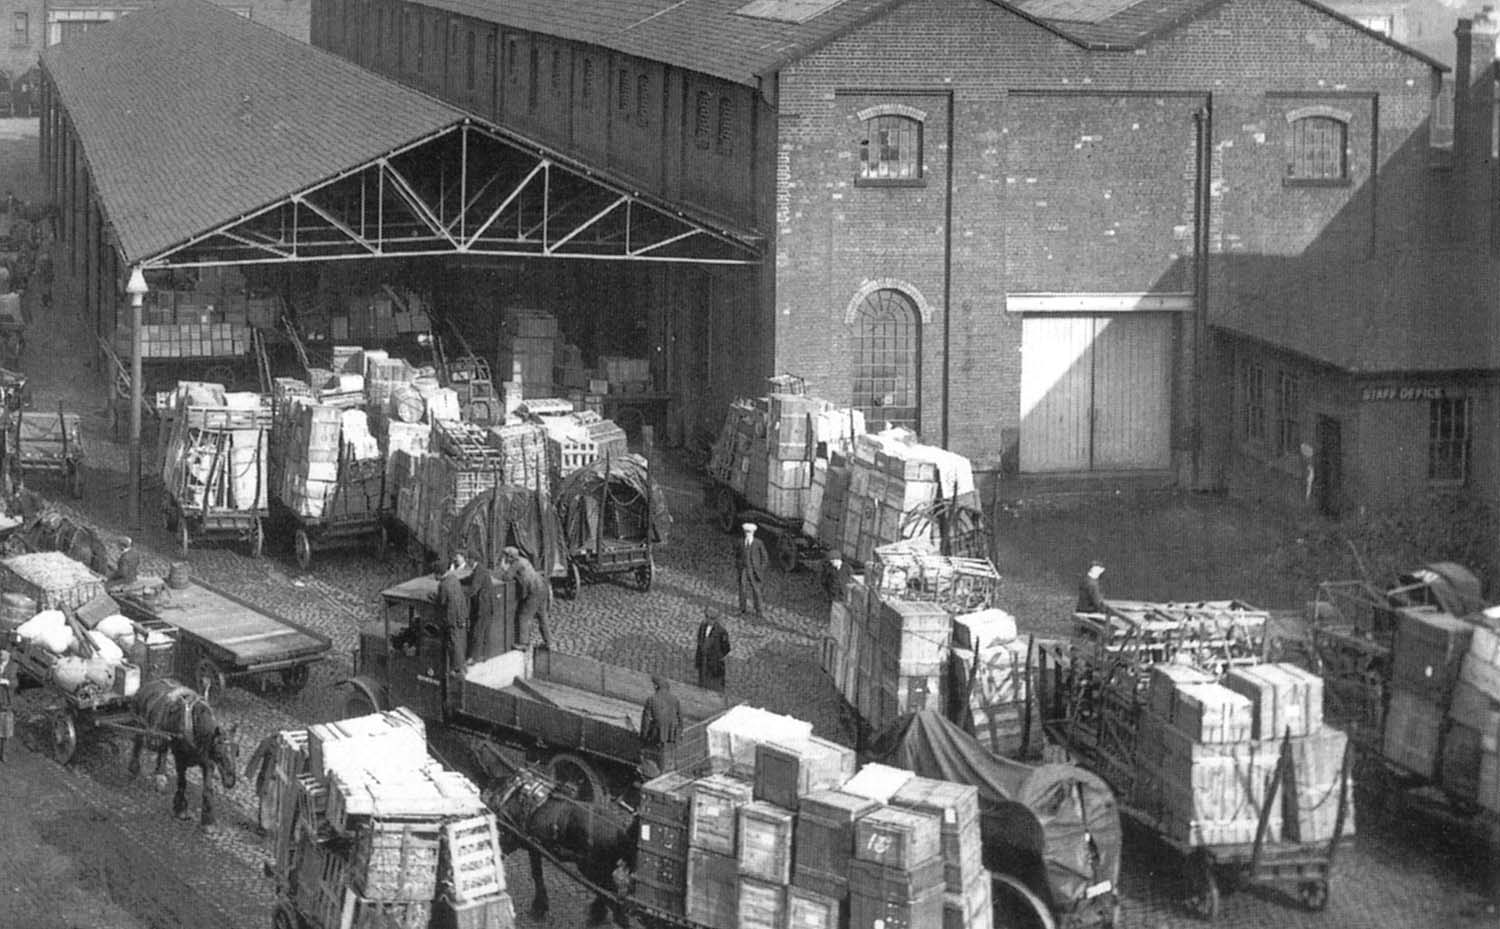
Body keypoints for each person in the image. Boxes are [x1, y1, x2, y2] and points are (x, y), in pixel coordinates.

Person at [506, 547, 553, 650]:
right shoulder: (524, 560)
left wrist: (504, 566)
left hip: (534, 591)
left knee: (523, 616)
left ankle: (524, 643)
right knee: (542, 616)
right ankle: (548, 642)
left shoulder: (516, 564)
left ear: (510, 557)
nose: (505, 558)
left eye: (506, 556)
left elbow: (507, 577)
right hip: (542, 587)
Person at [639, 675, 682, 774]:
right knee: (668, 753)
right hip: (672, 733)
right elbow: (680, 718)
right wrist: (679, 733)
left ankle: (657, 770)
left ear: (656, 686)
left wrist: (643, 737)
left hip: (657, 733)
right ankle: (668, 768)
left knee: (654, 753)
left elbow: (645, 721)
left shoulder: (651, 699)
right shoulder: (675, 699)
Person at [437, 552, 470, 670]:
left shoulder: (443, 584)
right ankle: (461, 665)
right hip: (462, 615)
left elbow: (442, 601)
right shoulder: (454, 579)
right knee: (460, 640)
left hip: (452, 618)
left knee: (454, 642)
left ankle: (458, 668)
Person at [733, 522, 768, 618]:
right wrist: (738, 565)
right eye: (746, 532)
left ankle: (759, 610)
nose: (747, 534)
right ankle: (742, 609)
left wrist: (761, 569)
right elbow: (737, 554)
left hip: (754, 570)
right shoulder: (740, 542)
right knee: (742, 589)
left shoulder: (758, 543)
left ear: (753, 533)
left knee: (756, 590)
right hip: (743, 569)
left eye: (749, 532)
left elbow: (765, 557)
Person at [694, 607, 732, 693]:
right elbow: (699, 640)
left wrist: (718, 656)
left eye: (712, 618)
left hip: (714, 662)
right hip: (703, 659)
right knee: (702, 681)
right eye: (707, 617)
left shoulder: (721, 631)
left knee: (714, 685)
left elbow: (726, 648)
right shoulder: (702, 626)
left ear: (716, 619)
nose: (709, 620)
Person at [0, 639, 16, 762]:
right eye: (1, 651)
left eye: (4, 652)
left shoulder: (13, 667)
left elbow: (16, 683)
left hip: (6, 701)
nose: (1, 654)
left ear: (9, 654)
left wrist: (7, 681)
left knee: (6, 731)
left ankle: (4, 754)